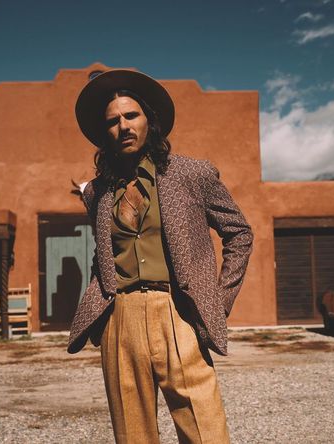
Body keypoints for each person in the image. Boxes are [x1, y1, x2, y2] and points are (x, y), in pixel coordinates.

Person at [68, 69, 253, 444]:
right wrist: (103, 317)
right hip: (120, 318)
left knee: (206, 432)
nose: (123, 126)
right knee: (133, 435)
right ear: (104, 133)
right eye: (113, 121)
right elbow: (103, 253)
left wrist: (218, 299)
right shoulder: (99, 192)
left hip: (178, 311)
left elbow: (240, 232)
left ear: (149, 120)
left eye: (131, 116)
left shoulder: (192, 174)